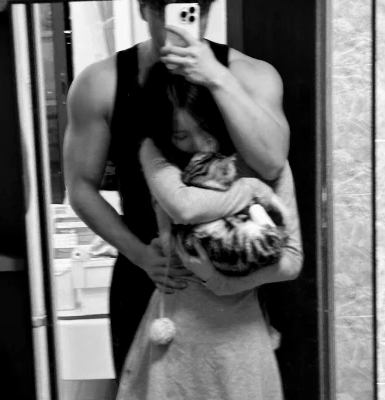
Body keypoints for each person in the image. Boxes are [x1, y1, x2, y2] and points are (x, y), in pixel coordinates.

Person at [63, 0, 290, 381]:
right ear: (143, 9)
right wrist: (139, 254)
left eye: (195, 8)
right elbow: (80, 188)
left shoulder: (250, 75)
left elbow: (271, 162)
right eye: (165, 10)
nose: (182, 23)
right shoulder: (100, 83)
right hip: (151, 272)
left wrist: (216, 78)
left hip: (237, 274)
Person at [114, 64, 303, 399]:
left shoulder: (266, 158)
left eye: (205, 128)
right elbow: (185, 207)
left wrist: (219, 281)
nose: (199, 146)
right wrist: (251, 190)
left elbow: (291, 262)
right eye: (180, 136)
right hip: (176, 333)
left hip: (241, 336)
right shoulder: (155, 152)